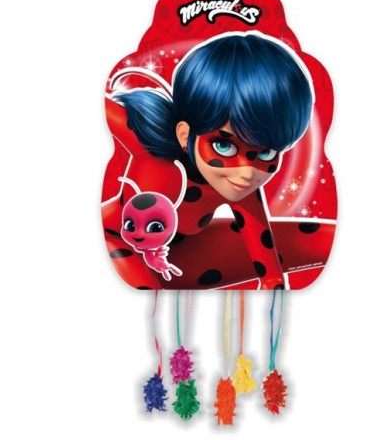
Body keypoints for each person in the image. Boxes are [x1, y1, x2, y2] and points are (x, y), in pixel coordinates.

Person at [102, 31, 314, 290]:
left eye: (266, 152)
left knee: (314, 241)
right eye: (224, 146)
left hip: (180, 255)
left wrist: (274, 285)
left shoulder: (240, 187)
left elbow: (268, 265)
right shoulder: (149, 144)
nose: (247, 173)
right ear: (184, 135)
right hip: (115, 240)